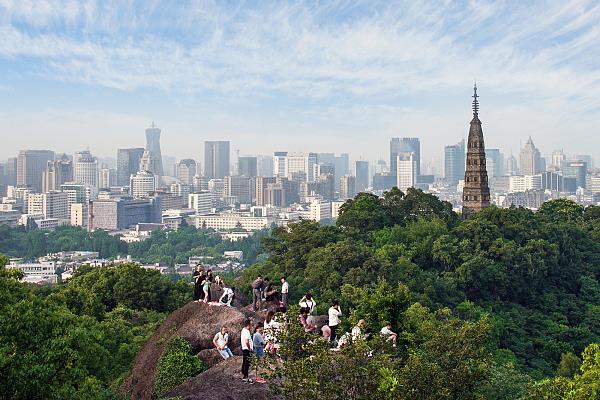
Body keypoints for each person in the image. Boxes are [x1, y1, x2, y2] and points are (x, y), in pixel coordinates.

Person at [241, 319, 254, 384]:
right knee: (247, 363)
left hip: (244, 348)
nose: (252, 325)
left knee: (244, 361)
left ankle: (244, 374)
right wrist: (249, 348)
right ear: (248, 325)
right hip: (247, 349)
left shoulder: (243, 330)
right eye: (251, 324)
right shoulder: (247, 331)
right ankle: (245, 377)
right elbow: (246, 341)